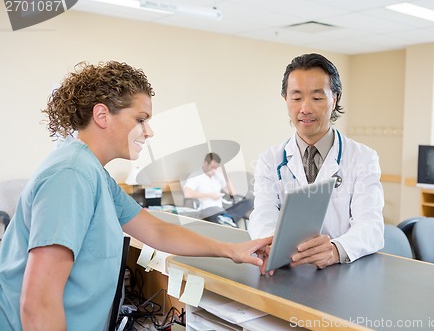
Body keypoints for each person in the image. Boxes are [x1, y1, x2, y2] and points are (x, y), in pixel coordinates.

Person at [0, 61, 271, 331]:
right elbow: (38, 303)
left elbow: (156, 231)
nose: (149, 131)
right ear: (102, 115)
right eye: (140, 120)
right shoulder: (71, 174)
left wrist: (232, 250)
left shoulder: (93, 173)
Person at [248, 53, 384, 272]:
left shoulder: (363, 158)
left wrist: (335, 249)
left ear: (335, 99)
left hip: (341, 275)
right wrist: (271, 243)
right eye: (296, 97)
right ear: (286, 100)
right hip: (286, 272)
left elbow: (371, 226)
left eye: (317, 98)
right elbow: (263, 212)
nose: (305, 108)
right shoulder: (269, 160)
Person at [183, 152, 254, 227]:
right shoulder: (196, 176)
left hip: (222, 208)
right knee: (216, 213)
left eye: (216, 168)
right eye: (212, 167)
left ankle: (227, 218)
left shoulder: (217, 176)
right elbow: (187, 193)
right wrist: (209, 195)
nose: (214, 170)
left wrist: (224, 174)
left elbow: (232, 192)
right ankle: (227, 219)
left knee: (249, 202)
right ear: (205, 163)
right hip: (207, 209)